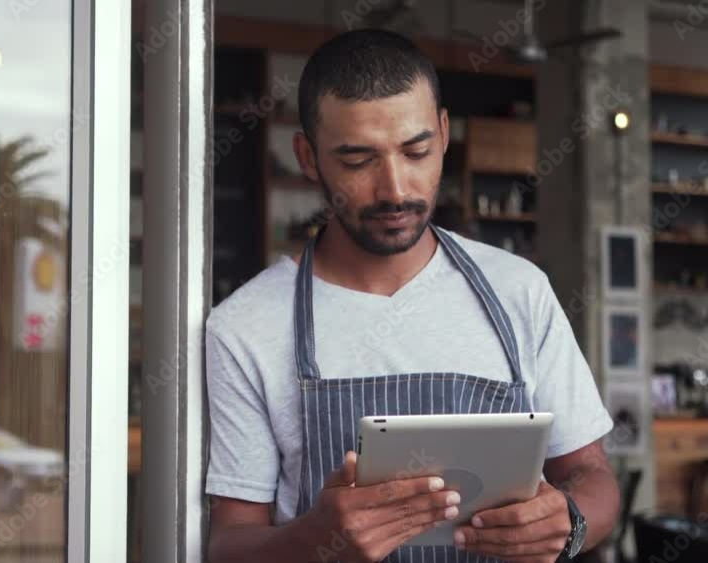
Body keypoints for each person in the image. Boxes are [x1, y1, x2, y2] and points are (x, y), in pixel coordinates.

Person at [204, 29, 619, 563]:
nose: (395, 189)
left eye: (416, 151)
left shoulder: (520, 291)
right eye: (358, 161)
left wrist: (571, 522)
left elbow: (592, 475)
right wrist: (314, 541)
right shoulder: (246, 326)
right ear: (307, 157)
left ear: (443, 135)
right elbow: (227, 543)